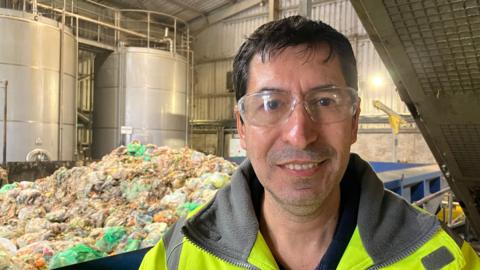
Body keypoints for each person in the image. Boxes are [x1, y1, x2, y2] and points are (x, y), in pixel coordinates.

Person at [140, 15, 480, 269]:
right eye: (271, 104)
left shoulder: (440, 258)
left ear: (354, 122)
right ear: (242, 126)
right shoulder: (177, 258)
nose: (300, 135)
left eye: (325, 101)